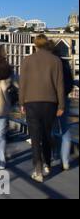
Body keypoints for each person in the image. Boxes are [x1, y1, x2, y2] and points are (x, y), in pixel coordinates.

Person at [19, 34, 65, 183]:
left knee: (35, 137)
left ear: (35, 45)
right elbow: (60, 85)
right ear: (46, 44)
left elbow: (23, 84)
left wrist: (21, 102)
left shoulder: (27, 60)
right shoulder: (56, 61)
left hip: (31, 102)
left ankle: (37, 170)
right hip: (50, 103)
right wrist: (61, 105)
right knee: (47, 134)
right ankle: (47, 164)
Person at [47, 41, 74, 171]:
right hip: (64, 99)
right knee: (65, 130)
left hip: (51, 100)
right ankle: (65, 161)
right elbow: (70, 82)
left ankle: (53, 155)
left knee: (51, 129)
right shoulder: (65, 64)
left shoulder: (49, 64)